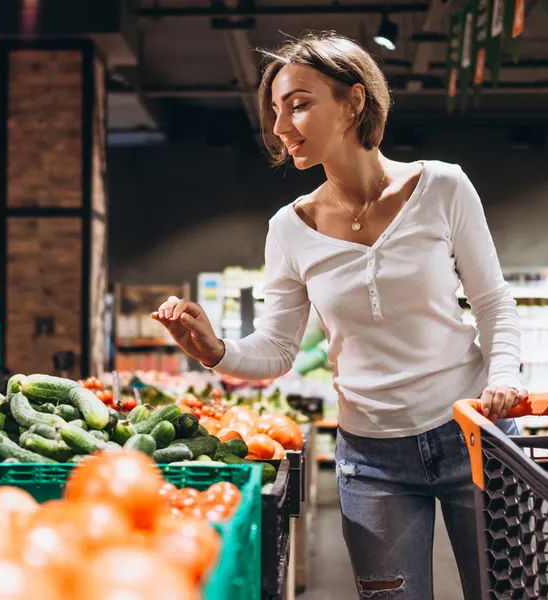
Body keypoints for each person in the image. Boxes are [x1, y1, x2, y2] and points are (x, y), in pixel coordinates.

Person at [152, 31, 526, 600]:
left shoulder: (443, 187)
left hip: (473, 433)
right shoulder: (290, 228)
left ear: (354, 102)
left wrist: (503, 377)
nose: (281, 127)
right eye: (276, 111)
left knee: (508, 593)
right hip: (372, 460)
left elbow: (493, 301)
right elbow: (277, 350)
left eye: (299, 104)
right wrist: (213, 349)